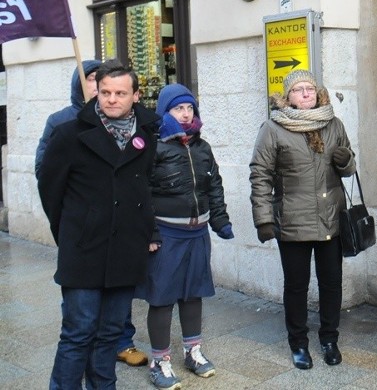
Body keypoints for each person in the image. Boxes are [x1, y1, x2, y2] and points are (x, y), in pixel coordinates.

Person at [38, 60, 160, 389]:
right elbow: (50, 190)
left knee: (109, 336)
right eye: (104, 91)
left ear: (135, 95)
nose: (111, 99)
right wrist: (75, 232)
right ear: (95, 92)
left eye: (120, 93)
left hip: (126, 250)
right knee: (78, 334)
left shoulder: (148, 133)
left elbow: (147, 188)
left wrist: (145, 230)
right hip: (84, 250)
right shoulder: (69, 134)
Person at [249, 70, 356, 370]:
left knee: (332, 283)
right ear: (288, 97)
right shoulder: (273, 128)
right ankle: (298, 343)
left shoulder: (333, 124)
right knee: (296, 286)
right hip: (293, 222)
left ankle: (329, 339)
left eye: (311, 88)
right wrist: (263, 219)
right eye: (299, 90)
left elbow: (349, 168)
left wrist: (346, 160)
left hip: (331, 220)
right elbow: (260, 175)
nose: (306, 93)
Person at [140, 84, 234, 389]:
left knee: (193, 293)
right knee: (163, 297)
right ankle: (160, 361)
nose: (185, 113)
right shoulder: (153, 145)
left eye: (189, 108)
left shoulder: (202, 147)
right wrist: (150, 231)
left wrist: (220, 220)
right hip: (167, 234)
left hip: (198, 232)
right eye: (178, 108)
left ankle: (193, 351)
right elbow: (140, 194)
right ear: (165, 112)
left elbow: (213, 186)